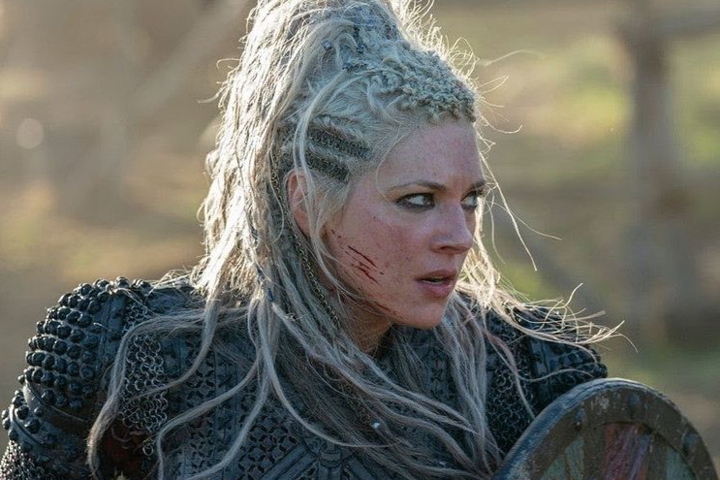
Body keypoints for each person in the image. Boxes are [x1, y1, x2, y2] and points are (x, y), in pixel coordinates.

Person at [0, 1, 612, 478]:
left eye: (470, 199)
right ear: (309, 201)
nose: (459, 238)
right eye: (418, 200)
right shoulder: (140, 357)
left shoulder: (528, 373)